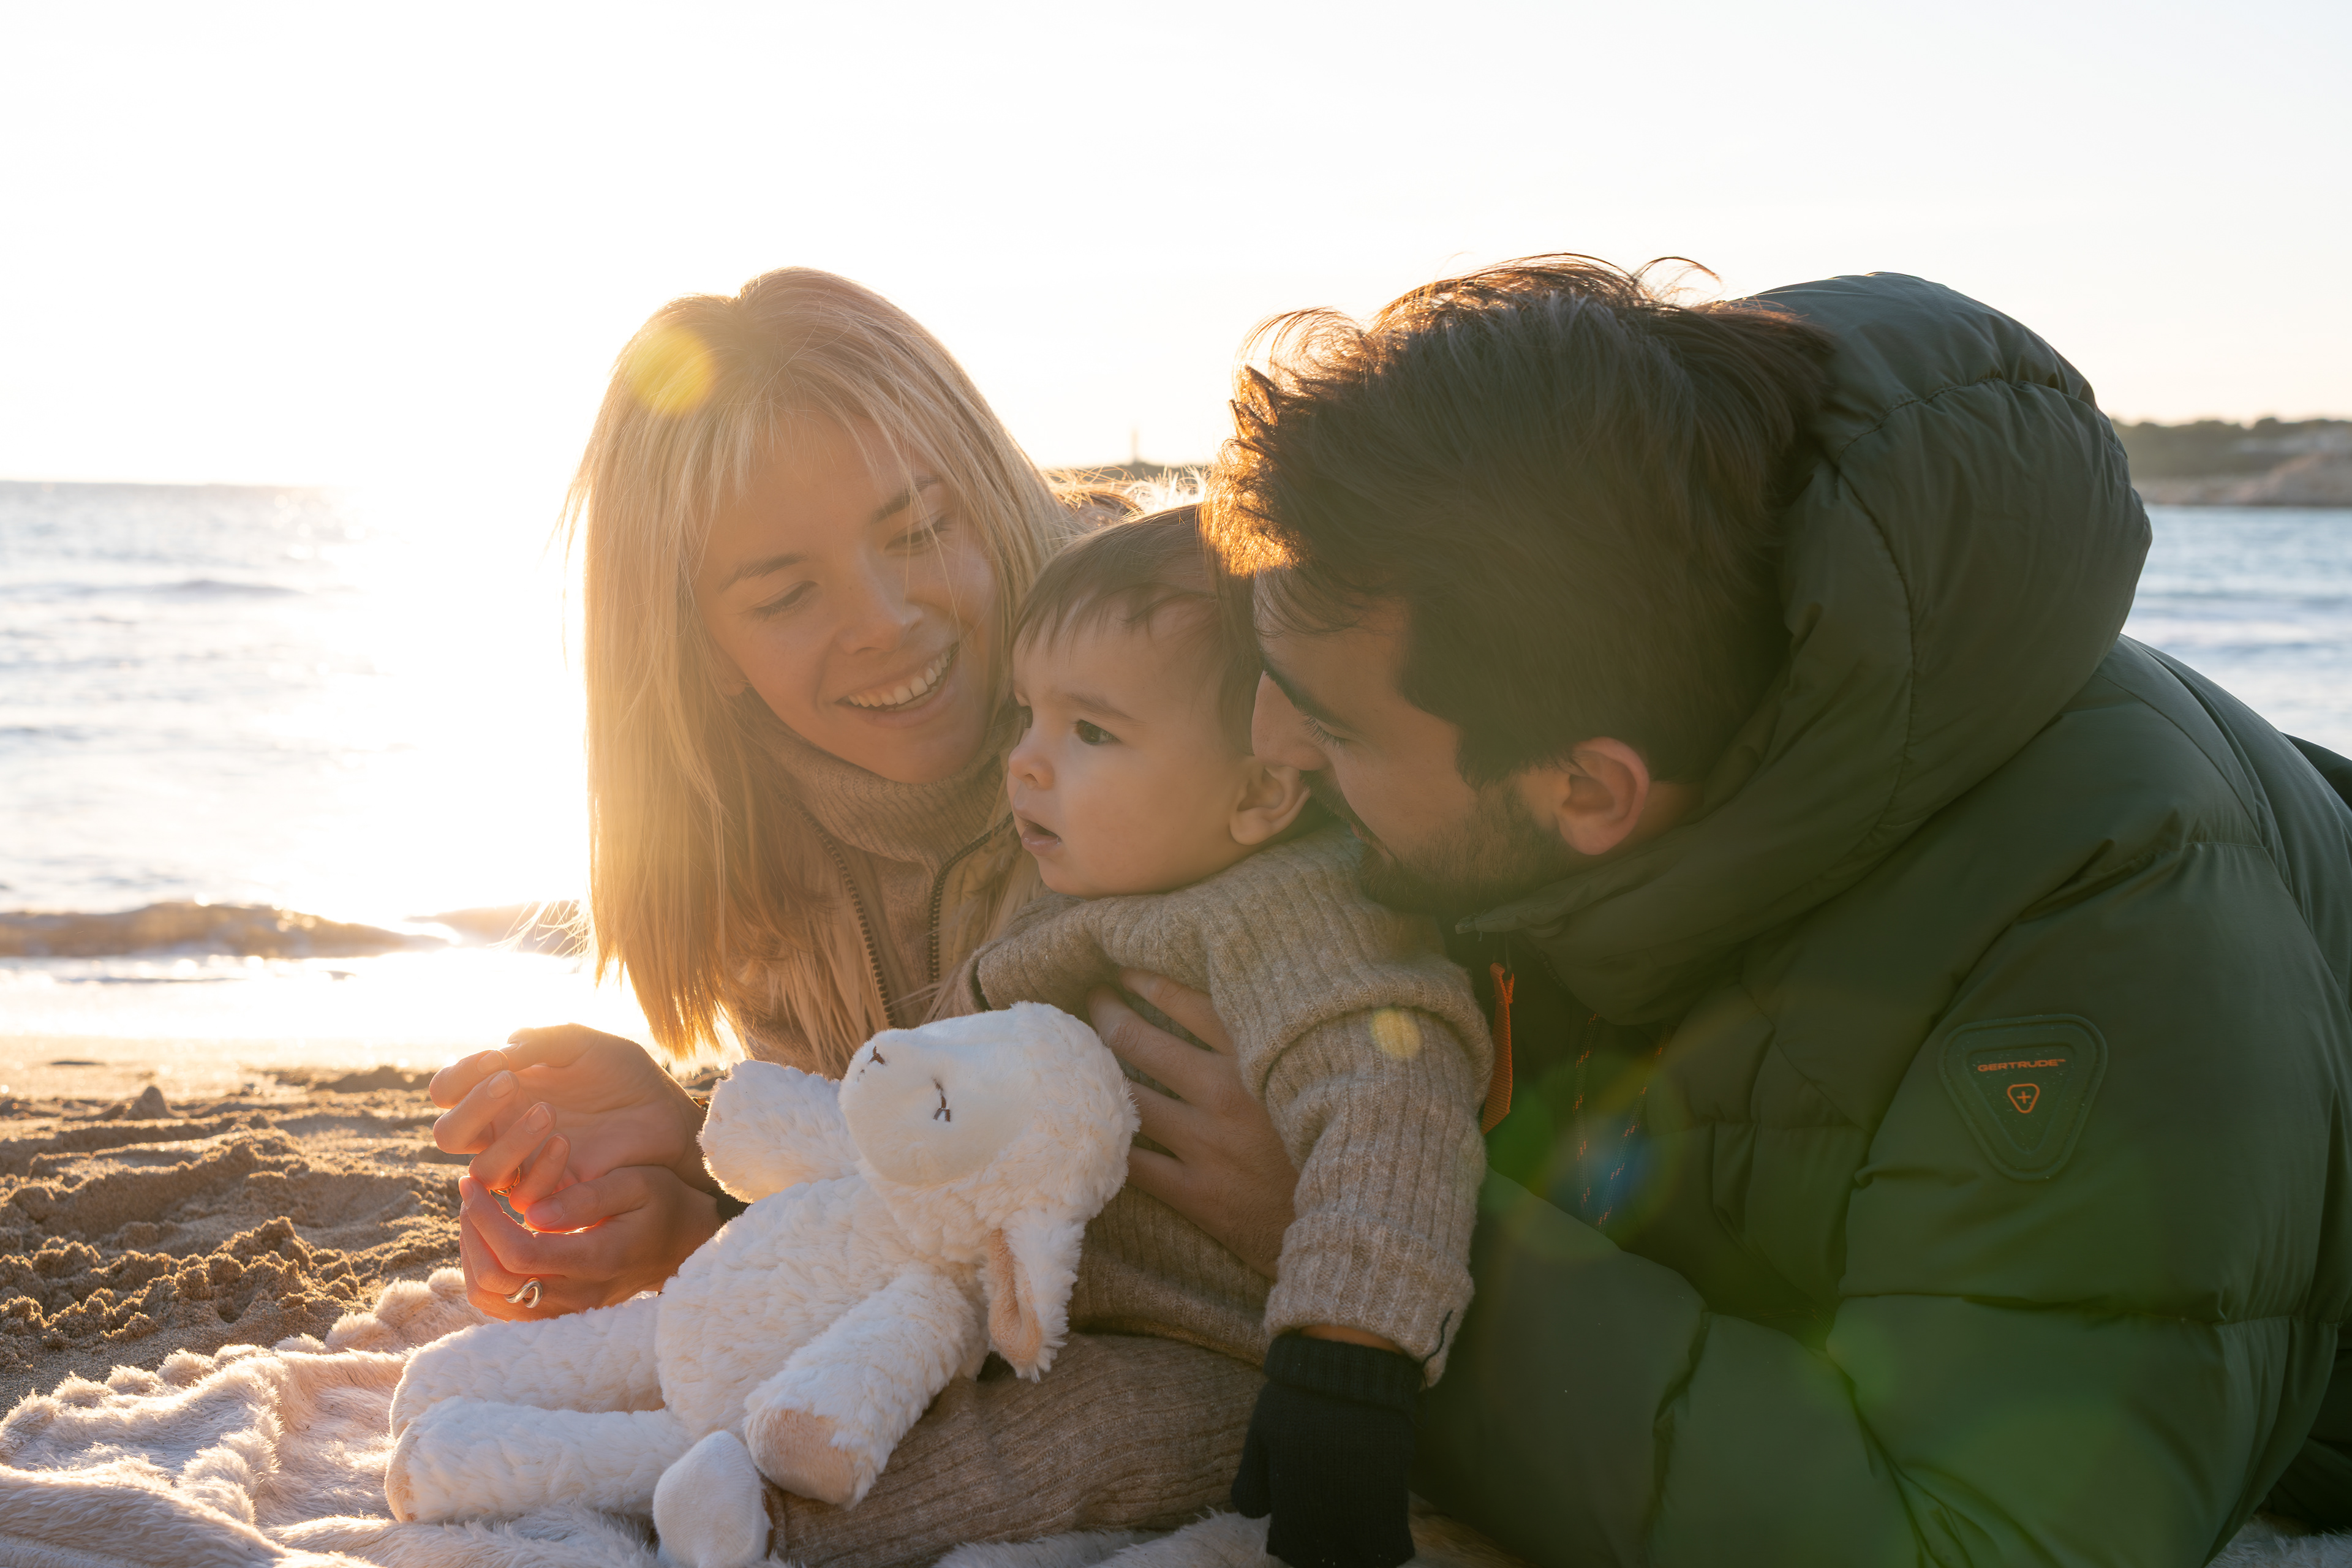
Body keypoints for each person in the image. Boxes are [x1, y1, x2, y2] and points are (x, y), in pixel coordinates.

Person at [1164, 257, 2352, 1567]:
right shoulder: (1639, 666)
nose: (1267, 744)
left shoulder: (2113, 930)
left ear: (1587, 790)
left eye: (1331, 724)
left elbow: (1978, 1541)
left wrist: (1367, 1248)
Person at [427, 269, 1294, 1563]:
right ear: (703, 644)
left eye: (920, 528)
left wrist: (1296, 1203)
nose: (885, 622)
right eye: (785, 595)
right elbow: (899, 1209)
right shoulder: (765, 852)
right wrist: (698, 1199)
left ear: (987, 489)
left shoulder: (1178, 719)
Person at [962, 505, 1494, 1568]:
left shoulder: (1297, 914)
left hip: (1218, 1355)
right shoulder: (1088, 901)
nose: (1024, 762)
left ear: (1259, 791)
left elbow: (1395, 1118)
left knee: (1040, 1453)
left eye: (1091, 732)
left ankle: (775, 1522)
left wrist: (1344, 1378)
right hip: (1031, 1306)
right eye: (1028, 714)